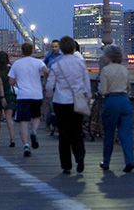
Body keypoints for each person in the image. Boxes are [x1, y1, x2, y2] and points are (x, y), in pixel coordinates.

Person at [45, 36, 90, 174]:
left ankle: (66, 166)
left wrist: (49, 95)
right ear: (73, 48)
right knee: (76, 131)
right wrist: (87, 97)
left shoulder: (57, 64)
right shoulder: (80, 64)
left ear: (62, 49)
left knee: (63, 134)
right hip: (77, 101)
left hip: (61, 101)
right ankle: (80, 154)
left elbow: (50, 85)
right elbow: (86, 83)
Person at [98, 44, 134, 172]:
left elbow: (103, 91)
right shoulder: (124, 70)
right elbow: (129, 88)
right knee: (126, 133)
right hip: (124, 100)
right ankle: (129, 160)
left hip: (111, 100)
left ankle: (106, 162)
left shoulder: (106, 70)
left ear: (108, 56)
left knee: (109, 133)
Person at [8, 42, 49, 157]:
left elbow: (11, 81)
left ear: (22, 51)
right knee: (36, 117)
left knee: (23, 122)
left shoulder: (16, 64)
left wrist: (17, 81)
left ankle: (26, 145)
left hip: (22, 95)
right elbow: (46, 71)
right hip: (37, 94)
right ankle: (34, 132)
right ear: (32, 51)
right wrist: (45, 82)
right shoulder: (38, 62)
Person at [0, 51, 16, 147]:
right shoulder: (9, 69)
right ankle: (12, 139)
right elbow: (12, 82)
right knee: (9, 118)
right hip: (9, 94)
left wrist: (2, 97)